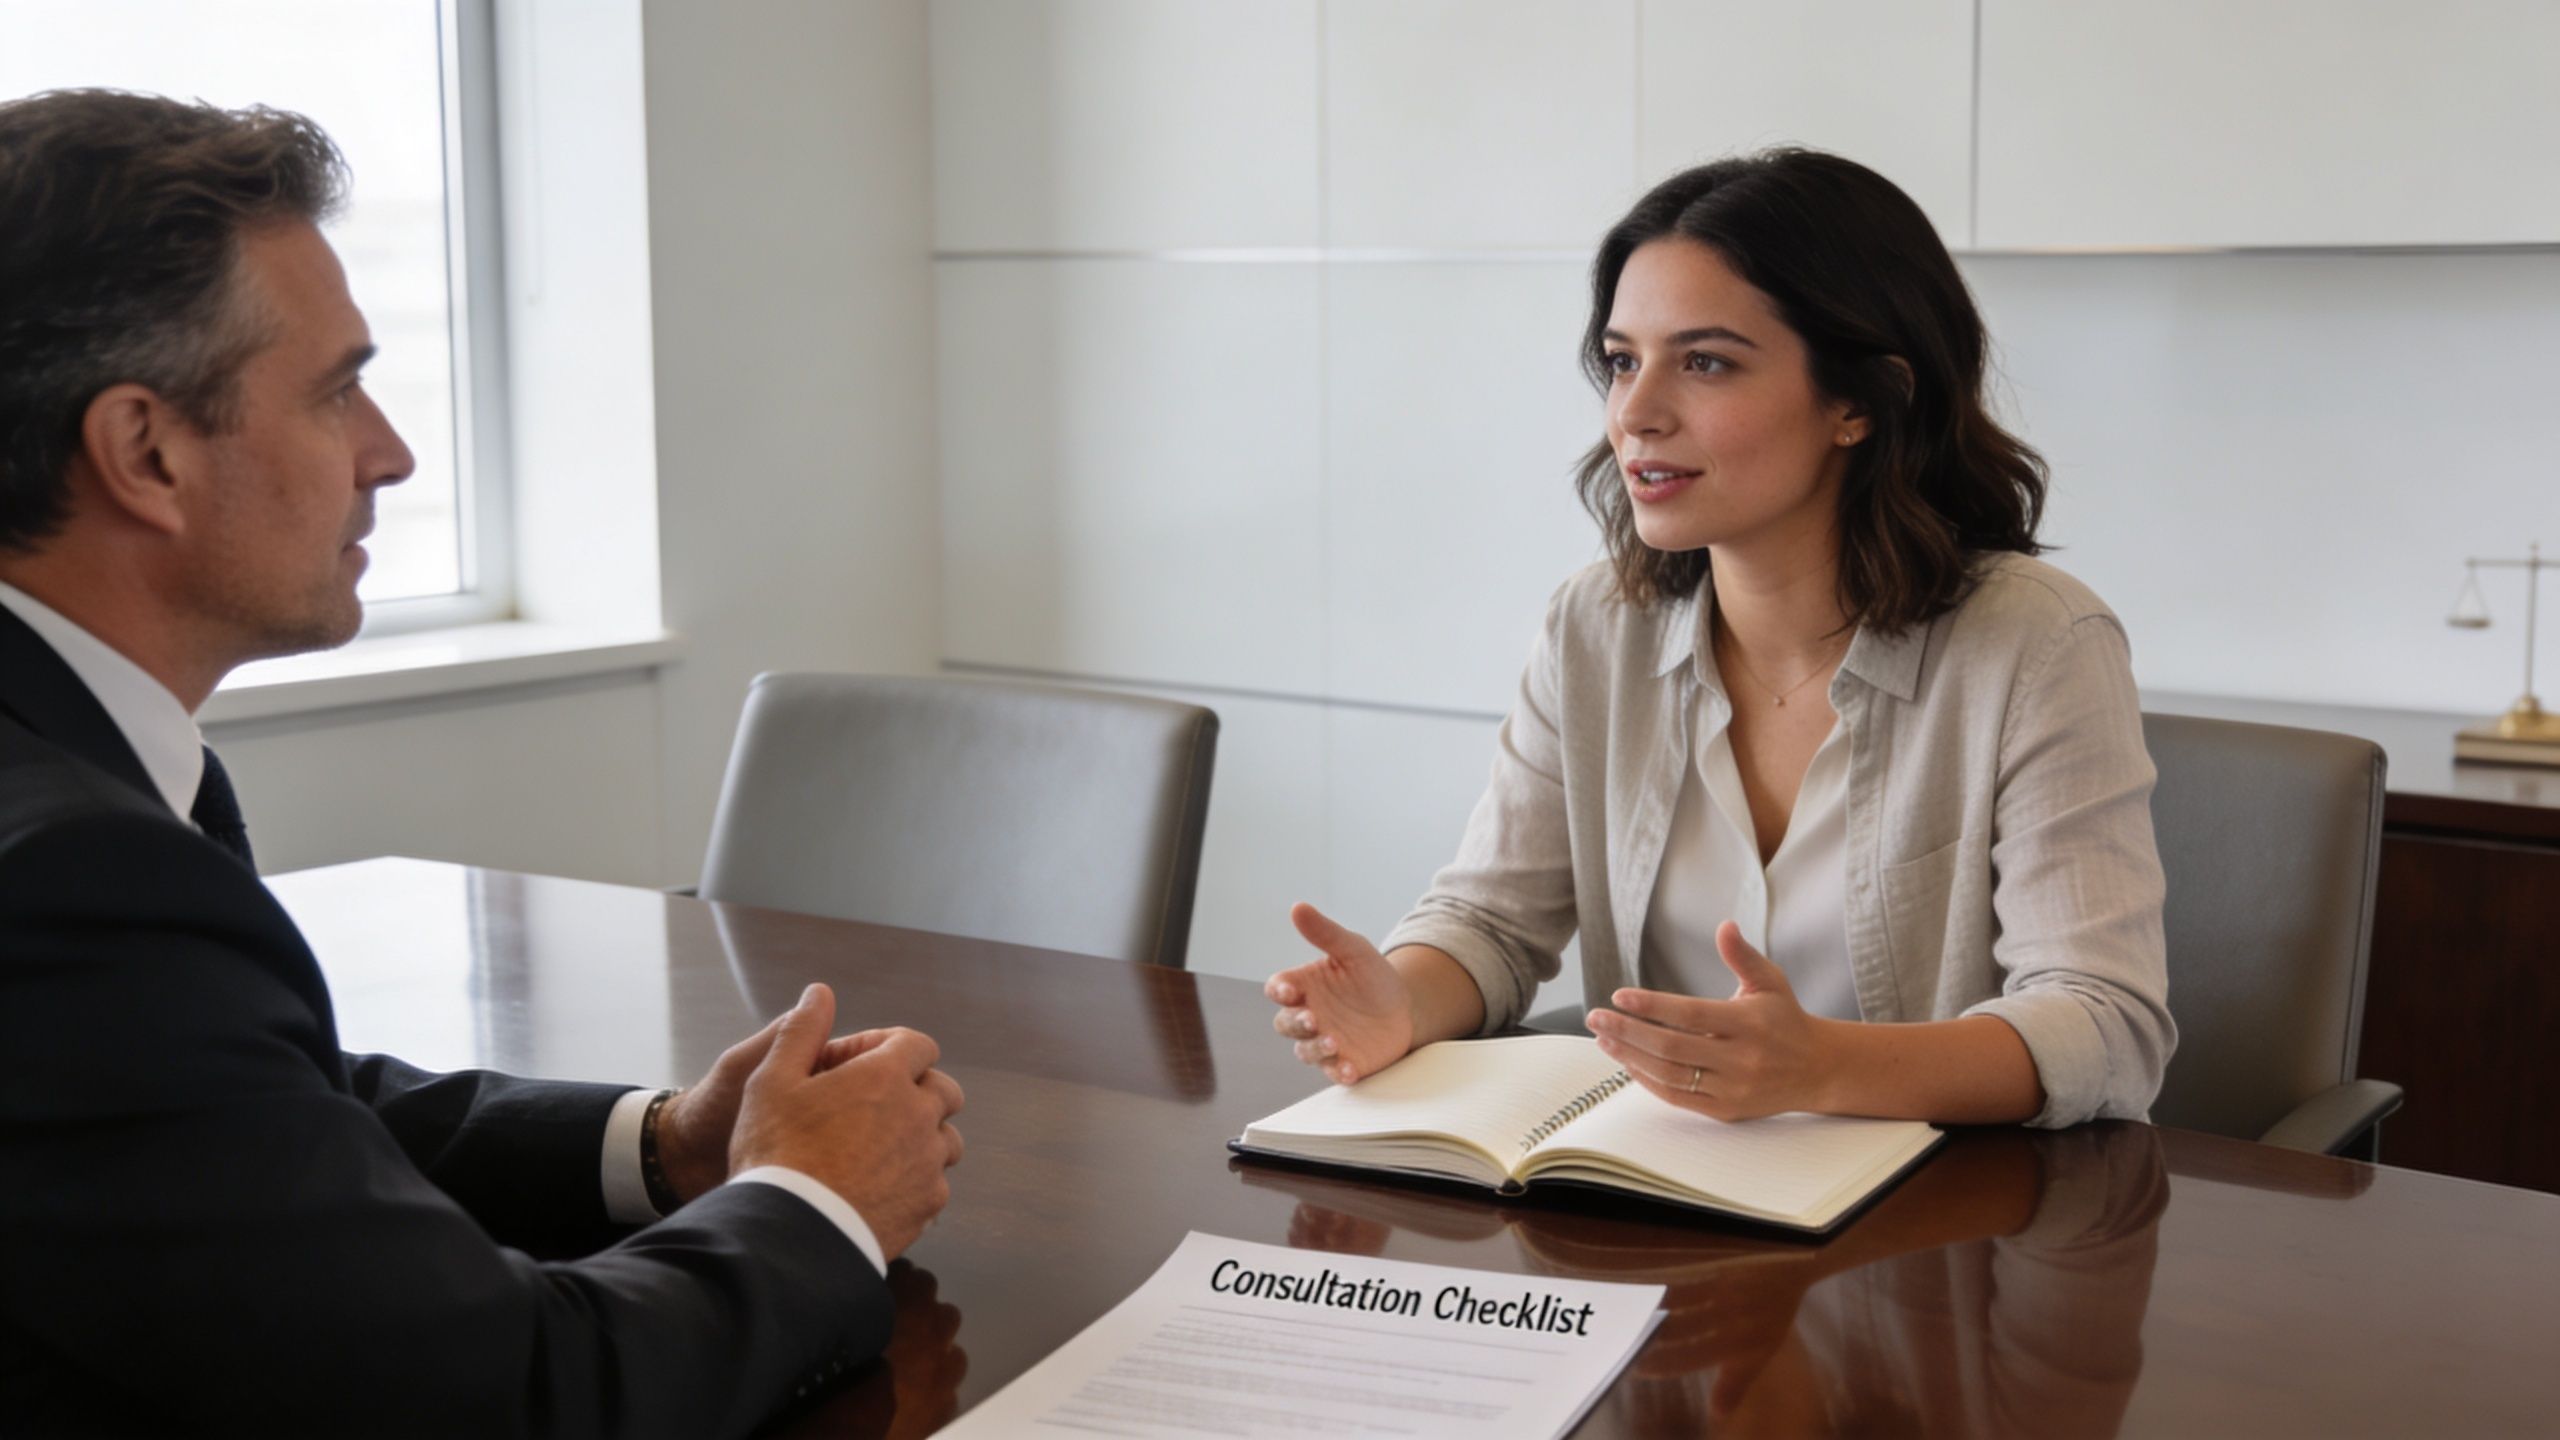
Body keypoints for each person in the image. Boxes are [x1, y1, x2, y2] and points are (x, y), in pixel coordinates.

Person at [0, 90, 964, 1437]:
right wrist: (811, 1206)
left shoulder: (73, 782)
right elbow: (515, 1399)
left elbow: (253, 1130)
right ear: (145, 452)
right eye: (337, 391)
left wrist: (665, 1147)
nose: (387, 454)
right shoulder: (73, 888)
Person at [1268, 150, 2172, 1129]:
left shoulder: (2037, 643)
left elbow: (2103, 1025)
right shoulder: (1594, 627)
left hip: (1939, 1231)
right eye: (1622, 361)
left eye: (1703, 362)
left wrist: (1824, 1067)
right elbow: (1490, 920)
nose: (1635, 414)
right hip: (1664, 1204)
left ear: (1860, 401)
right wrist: (1400, 1003)